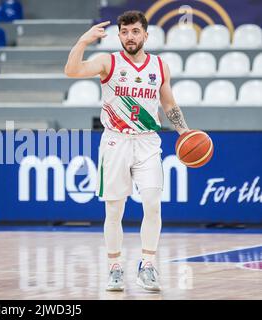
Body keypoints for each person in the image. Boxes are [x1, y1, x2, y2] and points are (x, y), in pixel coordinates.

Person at [65, 10, 190, 292]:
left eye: (135, 31)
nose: (129, 37)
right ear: (119, 35)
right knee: (114, 210)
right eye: (124, 32)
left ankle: (147, 265)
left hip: (147, 141)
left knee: (153, 205)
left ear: (146, 34)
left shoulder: (159, 66)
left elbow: (169, 105)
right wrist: (83, 41)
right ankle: (115, 267)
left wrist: (185, 132)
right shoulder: (108, 62)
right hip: (115, 142)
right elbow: (71, 71)